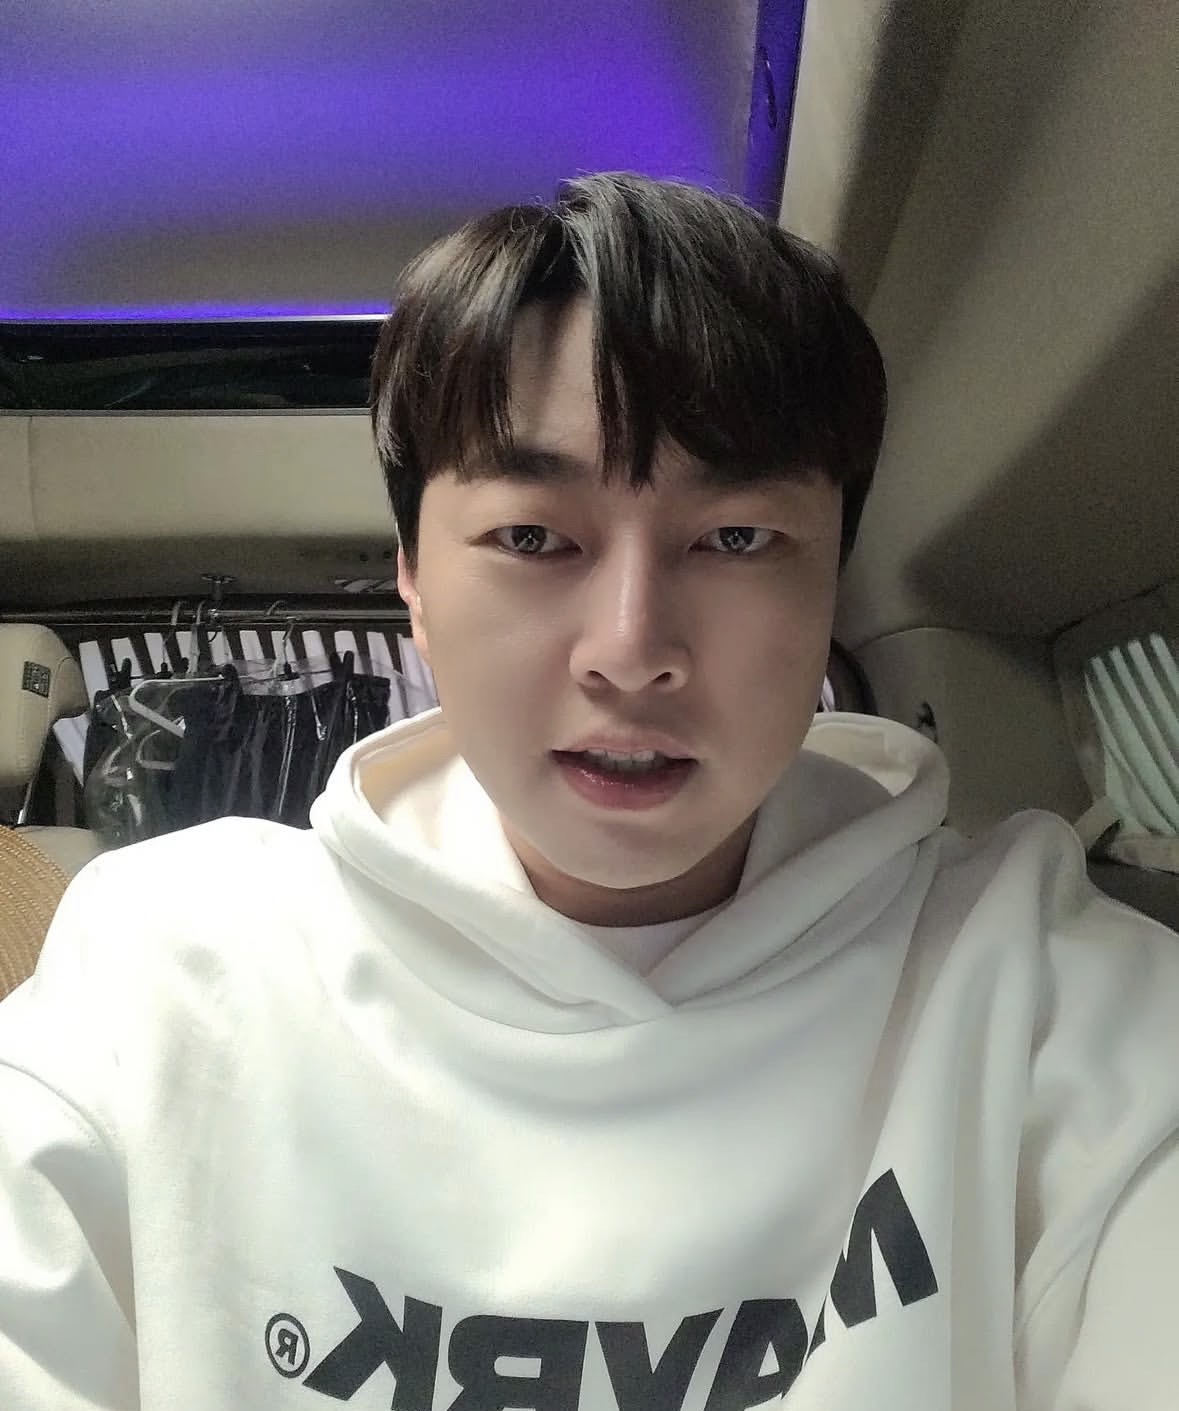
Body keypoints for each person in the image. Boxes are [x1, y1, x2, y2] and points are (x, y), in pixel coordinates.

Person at [1, 173, 1177, 1411]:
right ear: (413, 582)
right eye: (532, 537)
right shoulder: (162, 976)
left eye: (735, 538)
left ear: (831, 575)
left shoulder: (1045, 997)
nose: (630, 649)